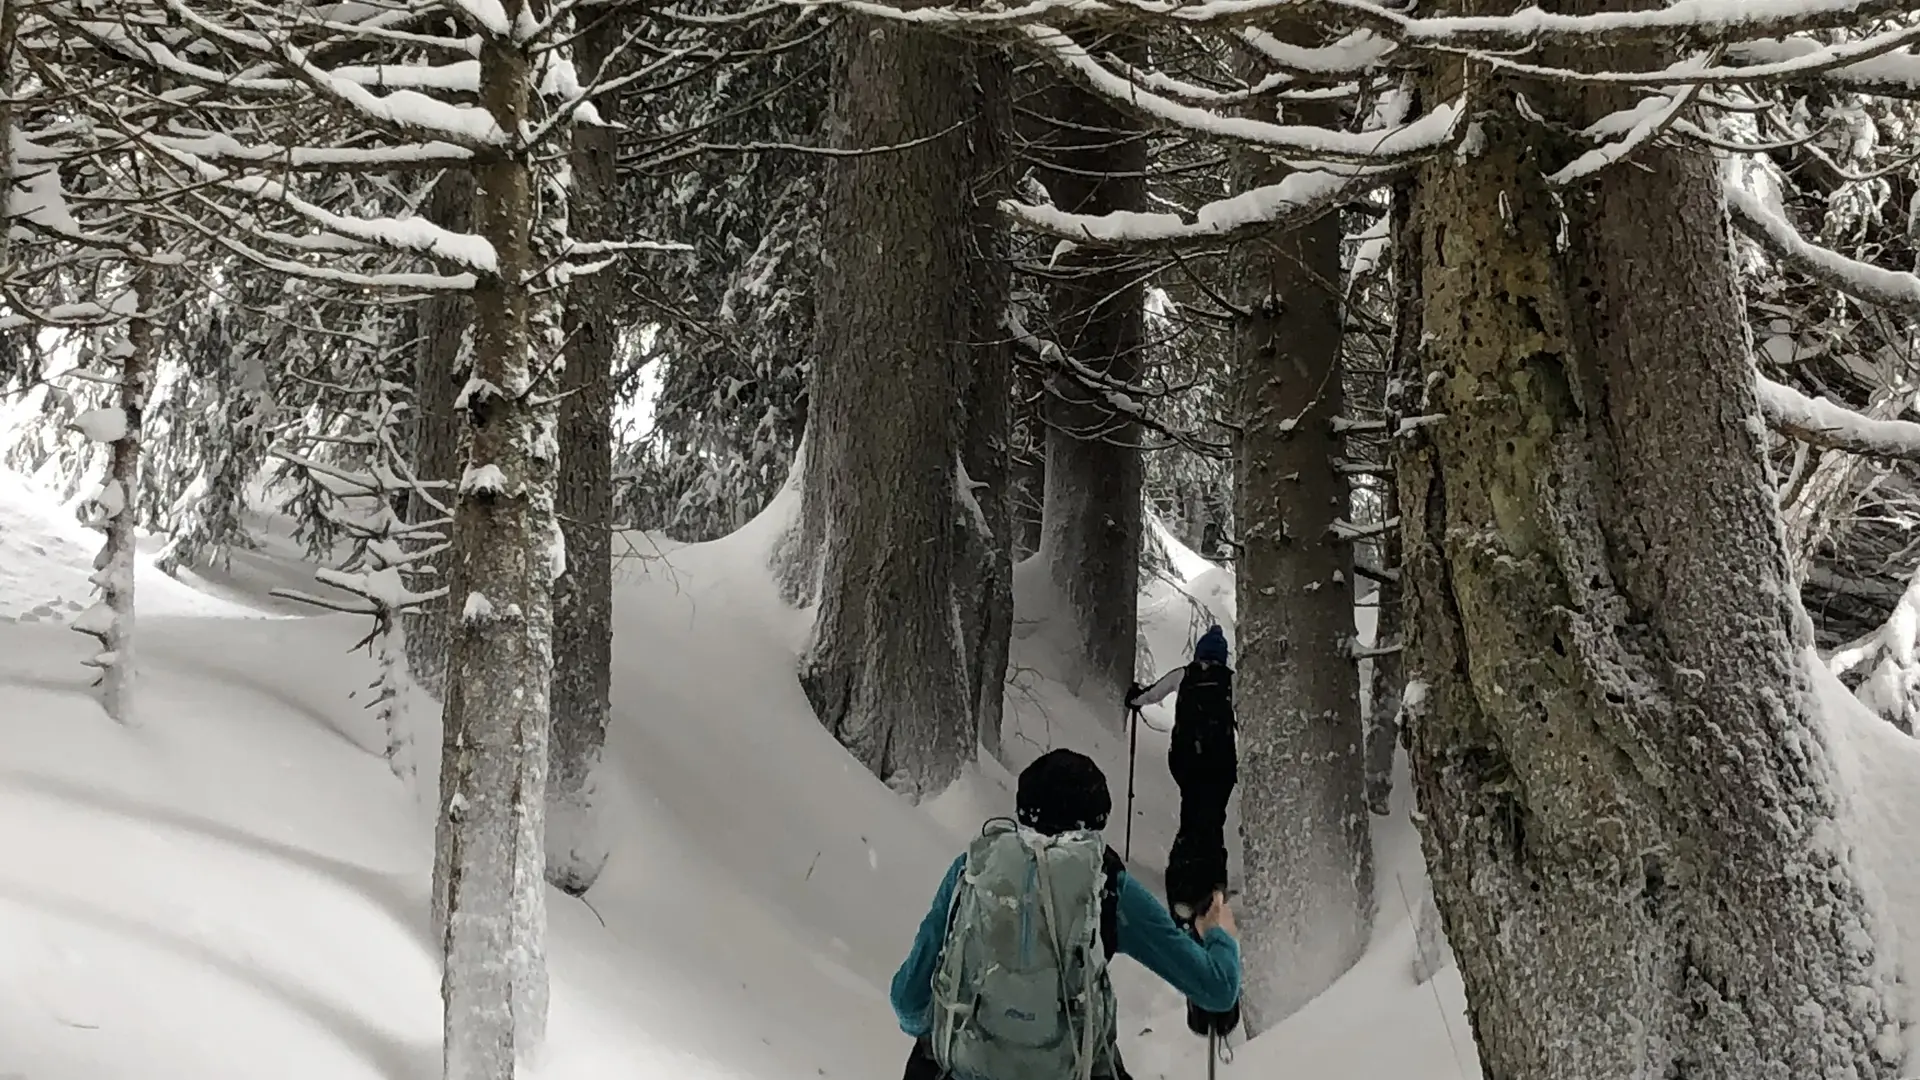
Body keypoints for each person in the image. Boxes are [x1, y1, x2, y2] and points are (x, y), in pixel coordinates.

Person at [891, 748, 1241, 1080]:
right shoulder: (1105, 884)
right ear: (1095, 824)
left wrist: (964, 1040)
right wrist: (1219, 934)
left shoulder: (972, 870)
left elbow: (907, 1002)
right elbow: (1217, 989)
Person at [1126, 624, 1240, 1038]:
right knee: (1213, 822)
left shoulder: (1185, 674)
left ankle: (1185, 883)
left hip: (1188, 764)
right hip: (1220, 767)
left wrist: (1135, 698)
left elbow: (1152, 694)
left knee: (1192, 817)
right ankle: (1212, 884)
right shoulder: (1231, 682)